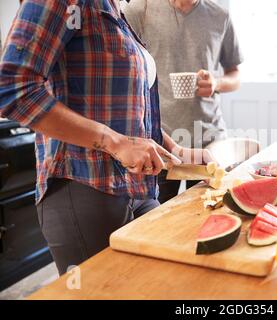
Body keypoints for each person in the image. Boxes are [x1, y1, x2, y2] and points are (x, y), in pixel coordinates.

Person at [0, 0, 213, 275]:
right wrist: (114, 142)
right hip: (85, 187)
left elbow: (126, 112)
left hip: (138, 189)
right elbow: (12, 88)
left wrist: (176, 152)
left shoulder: (114, 9)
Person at [122, 0, 243, 203]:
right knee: (158, 221)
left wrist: (217, 83)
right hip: (160, 142)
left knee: (207, 217)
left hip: (209, 140)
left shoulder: (220, 15)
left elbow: (235, 75)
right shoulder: (139, 10)